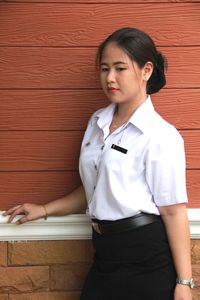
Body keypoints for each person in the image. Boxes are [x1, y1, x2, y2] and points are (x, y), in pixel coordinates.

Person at [3, 27, 193, 300]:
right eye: (104, 69)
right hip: (104, 254)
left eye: (120, 68)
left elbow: (174, 212)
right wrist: (45, 209)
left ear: (146, 70)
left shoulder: (161, 135)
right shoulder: (97, 123)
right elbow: (96, 188)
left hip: (146, 258)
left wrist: (184, 283)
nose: (110, 78)